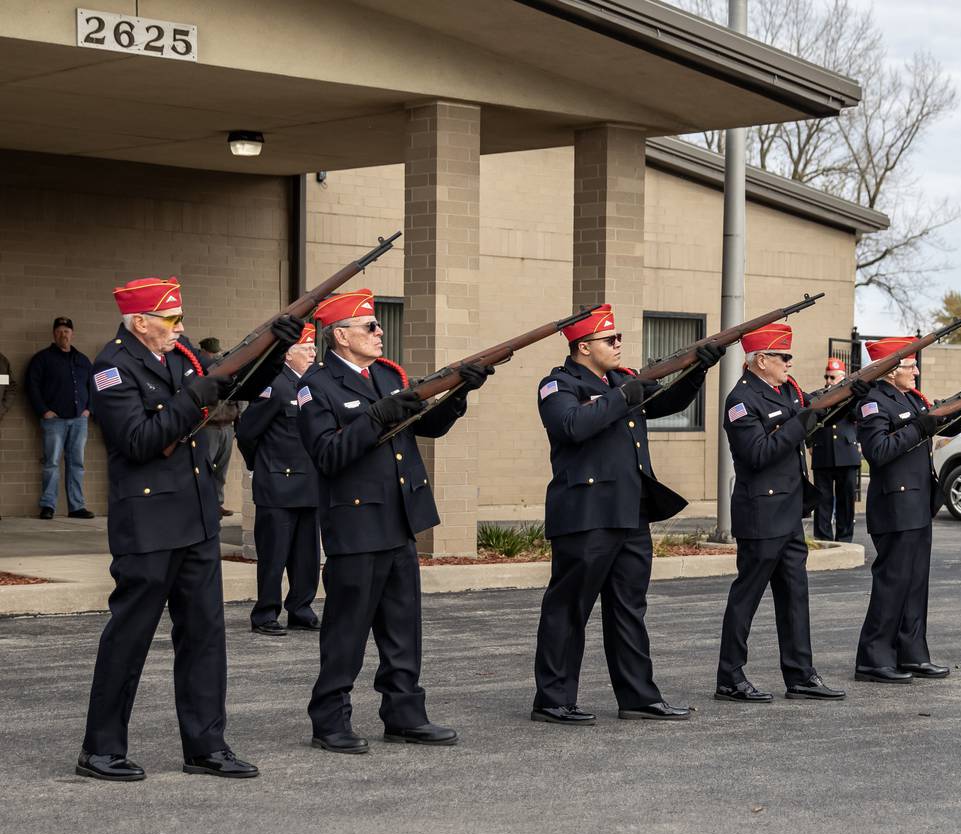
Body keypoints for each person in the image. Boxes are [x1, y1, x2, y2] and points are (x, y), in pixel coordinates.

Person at [76, 275, 301, 781]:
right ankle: (101, 748)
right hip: (149, 521)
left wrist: (274, 351)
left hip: (197, 517)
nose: (180, 328)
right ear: (139, 323)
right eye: (170, 319)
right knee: (130, 636)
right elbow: (138, 440)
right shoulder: (112, 367)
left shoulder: (180, 358)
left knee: (204, 635)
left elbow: (236, 386)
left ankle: (206, 745)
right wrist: (194, 395)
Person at [298, 289, 490, 754]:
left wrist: (459, 391)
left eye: (378, 325)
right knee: (347, 630)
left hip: (399, 519)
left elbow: (427, 426)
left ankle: (404, 714)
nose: (380, 332)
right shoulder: (316, 386)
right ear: (340, 336)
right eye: (370, 326)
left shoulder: (386, 375)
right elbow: (328, 454)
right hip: (356, 525)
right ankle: (329, 720)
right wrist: (374, 417)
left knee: (403, 628)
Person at [531, 304, 721, 725]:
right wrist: (622, 396)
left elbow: (665, 402)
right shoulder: (557, 384)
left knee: (629, 609)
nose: (619, 344)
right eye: (609, 339)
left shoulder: (622, 380)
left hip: (631, 512)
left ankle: (637, 696)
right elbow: (572, 426)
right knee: (569, 609)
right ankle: (553, 698)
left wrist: (697, 372)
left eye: (618, 338)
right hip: (586, 513)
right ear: (584, 347)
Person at [714, 323, 845, 704]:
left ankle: (801, 674)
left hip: (788, 510)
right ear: (762, 359)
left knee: (795, 596)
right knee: (747, 596)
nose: (790, 362)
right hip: (761, 511)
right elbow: (757, 454)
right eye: (783, 357)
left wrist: (846, 400)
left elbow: (810, 421)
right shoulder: (741, 400)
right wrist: (799, 424)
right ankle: (730, 676)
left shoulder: (787, 390)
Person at [852, 338, 953, 683]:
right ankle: (873, 657)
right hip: (895, 505)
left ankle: (912, 653)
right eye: (911, 366)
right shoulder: (872, 401)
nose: (917, 371)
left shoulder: (908, 397)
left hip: (917, 503)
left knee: (915, 583)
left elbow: (936, 425)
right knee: (892, 584)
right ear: (892, 370)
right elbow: (877, 451)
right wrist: (917, 428)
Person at [236, 323, 321, 637]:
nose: (313, 352)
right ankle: (265, 614)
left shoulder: (310, 386)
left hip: (310, 484)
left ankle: (301, 609)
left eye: (313, 346)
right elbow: (247, 432)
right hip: (278, 485)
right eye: (306, 347)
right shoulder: (275, 385)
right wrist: (263, 465)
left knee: (307, 556)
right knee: (274, 556)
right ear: (288, 353)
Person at [26, 316, 94, 519]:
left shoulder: (82, 360)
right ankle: (48, 506)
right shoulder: (42, 359)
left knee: (77, 464)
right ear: (54, 334)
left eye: (66, 331)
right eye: (59, 331)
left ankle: (76, 507)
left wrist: (89, 409)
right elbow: (32, 387)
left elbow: (94, 387)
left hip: (79, 420)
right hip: (54, 421)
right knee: (52, 463)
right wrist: (43, 411)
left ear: (72, 334)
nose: (63, 334)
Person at [808, 357, 861, 542]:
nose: (829, 381)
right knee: (822, 500)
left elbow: (858, 416)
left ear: (843, 377)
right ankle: (823, 537)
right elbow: (806, 418)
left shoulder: (853, 397)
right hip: (823, 452)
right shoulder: (818, 394)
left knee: (846, 500)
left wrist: (849, 397)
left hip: (846, 453)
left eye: (833, 377)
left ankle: (845, 538)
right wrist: (809, 443)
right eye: (827, 377)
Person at [197, 336, 241, 516]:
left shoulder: (228, 371)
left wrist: (238, 423)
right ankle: (202, 505)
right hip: (208, 427)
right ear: (203, 353)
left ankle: (216, 503)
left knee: (220, 470)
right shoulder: (200, 370)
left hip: (227, 426)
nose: (215, 357)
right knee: (205, 468)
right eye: (212, 354)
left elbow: (237, 399)